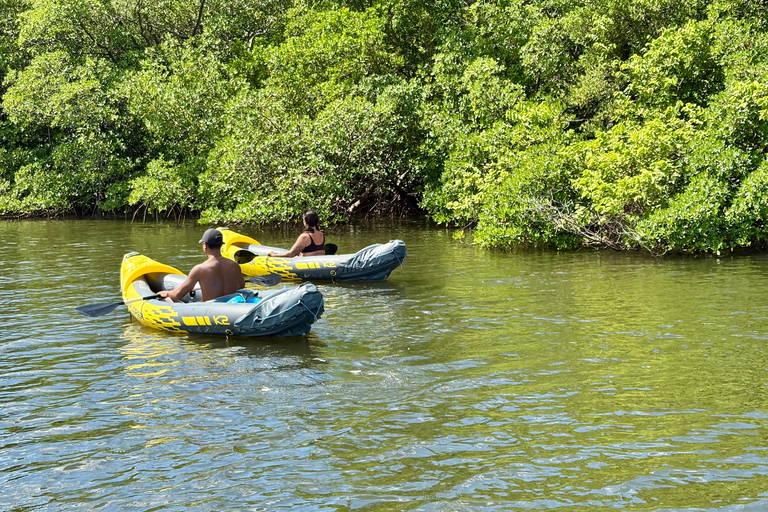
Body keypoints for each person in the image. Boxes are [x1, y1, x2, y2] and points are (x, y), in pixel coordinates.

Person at [158, 228, 245, 302]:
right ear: (220, 245)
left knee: (168, 300)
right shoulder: (234, 266)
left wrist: (166, 293)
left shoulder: (200, 269)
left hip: (210, 311)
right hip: (231, 307)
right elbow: (241, 286)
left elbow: (177, 295)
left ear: (205, 245)